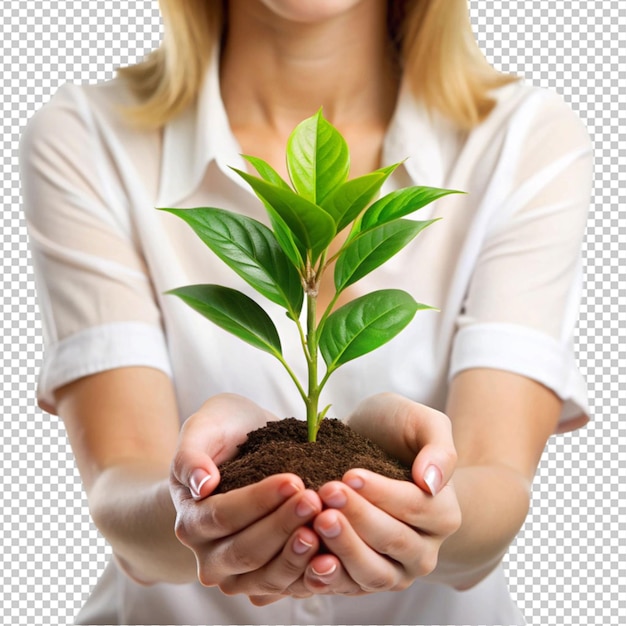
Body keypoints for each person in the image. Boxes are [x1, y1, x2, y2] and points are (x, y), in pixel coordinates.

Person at [20, 1, 592, 624]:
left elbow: (496, 477)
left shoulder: (522, 138)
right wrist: (197, 499)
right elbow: (121, 482)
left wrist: (427, 507)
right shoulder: (86, 136)